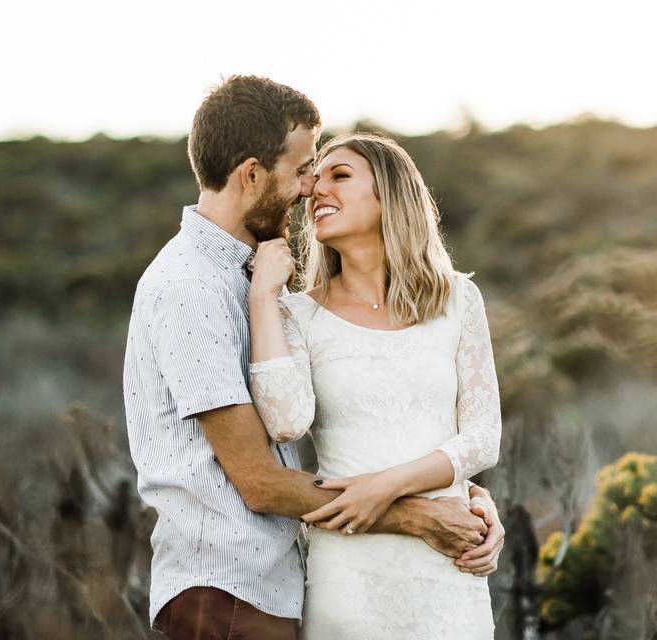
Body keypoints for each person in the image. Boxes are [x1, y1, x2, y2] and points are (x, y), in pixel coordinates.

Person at [122, 76, 504, 640]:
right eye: (304, 171)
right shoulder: (193, 286)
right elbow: (260, 479)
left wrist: (463, 494)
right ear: (252, 174)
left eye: (329, 175)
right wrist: (419, 514)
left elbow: (457, 427)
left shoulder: (243, 277)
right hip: (224, 586)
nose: (309, 190)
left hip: (274, 583)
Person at [247, 132, 502, 639]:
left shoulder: (459, 300)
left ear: (391, 195)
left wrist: (384, 487)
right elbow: (285, 421)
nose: (318, 190)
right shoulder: (296, 314)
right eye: (315, 180)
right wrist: (262, 296)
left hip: (450, 570)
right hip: (349, 576)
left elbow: (482, 437)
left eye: (340, 176)